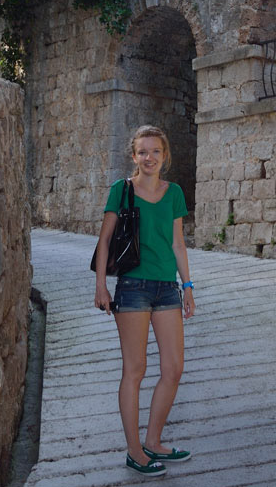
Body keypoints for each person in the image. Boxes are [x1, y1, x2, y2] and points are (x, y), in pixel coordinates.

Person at [94, 125, 196, 477]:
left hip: (167, 288)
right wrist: (101, 287)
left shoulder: (174, 194)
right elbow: (105, 241)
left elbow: (178, 244)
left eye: (155, 152)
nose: (149, 158)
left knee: (173, 368)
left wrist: (188, 286)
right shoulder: (122, 191)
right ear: (133, 155)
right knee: (135, 370)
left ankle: (153, 441)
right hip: (132, 287)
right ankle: (134, 451)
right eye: (142, 152)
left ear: (164, 156)